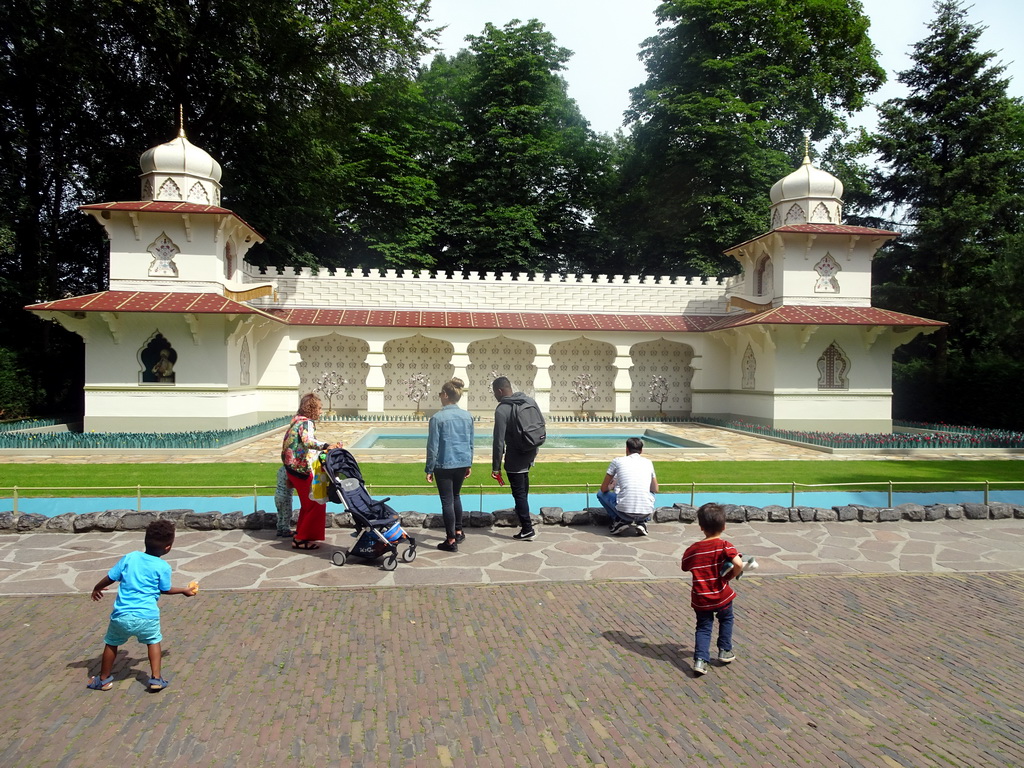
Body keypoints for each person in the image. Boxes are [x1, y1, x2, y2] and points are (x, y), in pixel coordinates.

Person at [87, 519, 198, 692]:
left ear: (145, 540)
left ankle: (103, 680)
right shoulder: (163, 566)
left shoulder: (130, 558)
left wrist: (97, 587)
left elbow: (111, 576)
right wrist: (184, 590)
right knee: (153, 641)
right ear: (168, 547)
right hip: (147, 617)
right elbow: (165, 589)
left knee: (111, 643)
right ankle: (156, 679)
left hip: (121, 616)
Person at [680, 503, 745, 677]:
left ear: (701, 527)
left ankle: (700, 660)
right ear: (724, 526)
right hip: (722, 595)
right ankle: (724, 650)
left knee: (703, 627)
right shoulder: (725, 545)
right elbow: (738, 563)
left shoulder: (693, 550)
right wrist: (731, 575)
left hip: (701, 597)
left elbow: (685, 566)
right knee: (726, 619)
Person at [281, 392, 341, 550]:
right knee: (315, 502)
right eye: (319, 408)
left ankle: (302, 533)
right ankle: (301, 539)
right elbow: (308, 441)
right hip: (300, 469)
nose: (321, 411)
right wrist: (327, 446)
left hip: (291, 468)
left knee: (307, 504)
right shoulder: (306, 423)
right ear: (312, 408)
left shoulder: (296, 420)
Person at [425, 377, 474, 552]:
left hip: (444, 464)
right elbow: (470, 442)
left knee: (447, 501)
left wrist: (429, 468)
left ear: (445, 395)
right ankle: (458, 531)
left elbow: (433, 446)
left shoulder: (438, 418)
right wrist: (469, 463)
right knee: (456, 496)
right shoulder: (467, 416)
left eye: (440, 394)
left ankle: (451, 540)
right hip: (461, 462)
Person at [491, 376, 541, 540]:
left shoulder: (502, 409)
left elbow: (498, 442)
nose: (495, 397)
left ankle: (527, 528)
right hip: (530, 451)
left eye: (494, 393)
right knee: (523, 489)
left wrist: (496, 468)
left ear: (499, 391)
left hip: (515, 457)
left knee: (518, 493)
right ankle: (522, 513)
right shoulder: (528, 401)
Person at [597, 437, 658, 536]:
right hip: (645, 512)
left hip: (624, 512)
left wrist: (611, 486)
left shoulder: (617, 461)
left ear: (626, 449)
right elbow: (655, 489)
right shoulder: (648, 462)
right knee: (651, 494)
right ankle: (642, 522)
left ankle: (619, 520)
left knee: (600, 494)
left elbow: (603, 489)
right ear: (641, 450)